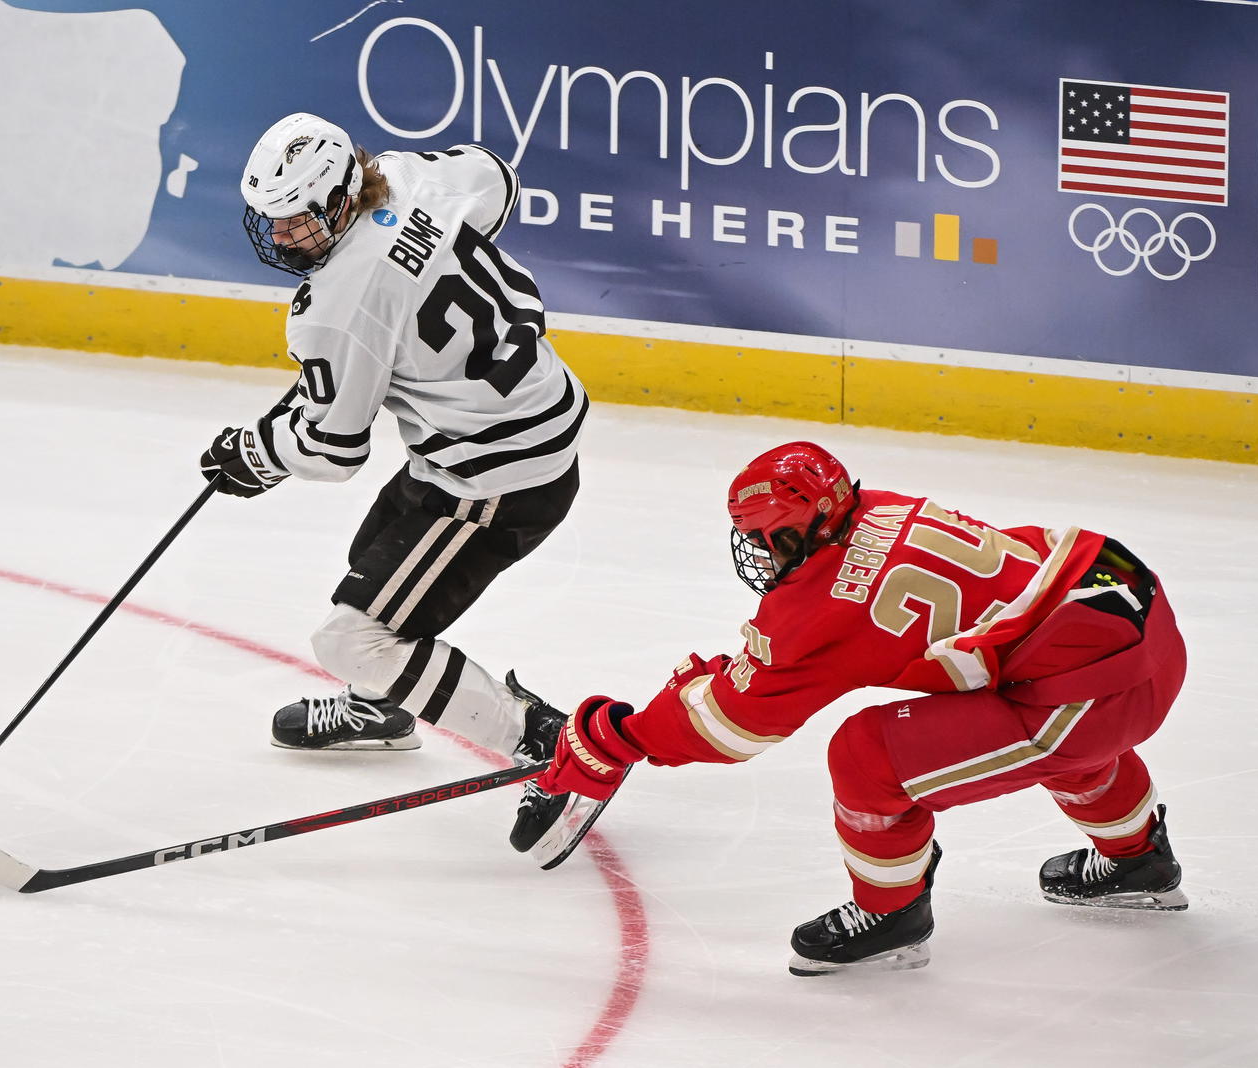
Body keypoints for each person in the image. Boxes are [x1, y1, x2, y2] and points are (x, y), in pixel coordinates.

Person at [529, 441, 1189, 974]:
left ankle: (891, 915)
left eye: (759, 537)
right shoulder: (875, 508)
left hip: (1098, 686)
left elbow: (729, 725)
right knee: (1021, 719)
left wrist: (615, 736)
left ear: (790, 533)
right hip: (1126, 603)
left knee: (869, 755)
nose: (756, 552)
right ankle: (1138, 859)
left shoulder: (822, 606)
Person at [199, 112, 586, 845]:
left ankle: (551, 746)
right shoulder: (411, 175)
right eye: (272, 219)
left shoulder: (335, 310)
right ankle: (383, 706)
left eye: (299, 221)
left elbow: (335, 447)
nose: (281, 237)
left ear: (343, 195)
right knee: (375, 558)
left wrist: (258, 452)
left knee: (355, 638)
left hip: (498, 477)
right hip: (505, 426)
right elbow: (494, 178)